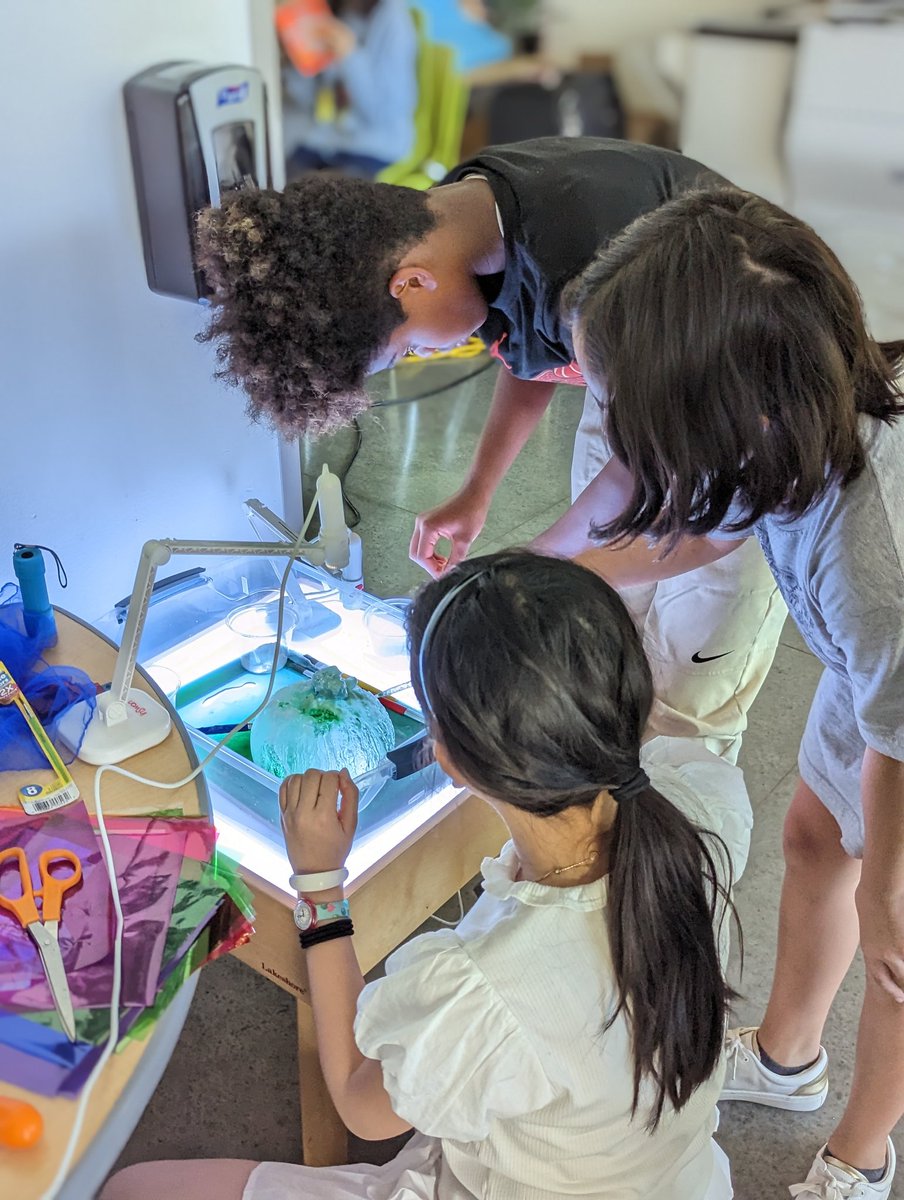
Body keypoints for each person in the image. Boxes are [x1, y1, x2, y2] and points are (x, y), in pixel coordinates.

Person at [100, 550, 753, 1200]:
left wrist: (321, 885)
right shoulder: (703, 802)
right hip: (673, 1179)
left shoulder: (482, 987)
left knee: (130, 1190)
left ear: (445, 759)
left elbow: (360, 1101)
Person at [195, 137, 787, 764]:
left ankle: (670, 809)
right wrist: (481, 492)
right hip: (637, 391)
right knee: (612, 627)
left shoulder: (594, 268)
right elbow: (534, 351)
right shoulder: (460, 220)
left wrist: (547, 568)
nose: (424, 356)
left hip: (746, 421)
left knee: (684, 696)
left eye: (408, 350)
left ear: (412, 282)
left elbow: (704, 518)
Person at [562, 189, 904, 1198]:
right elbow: (709, 526)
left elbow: (898, 730)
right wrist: (555, 572)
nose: (614, 431)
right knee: (814, 838)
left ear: (728, 411)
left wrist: (887, 888)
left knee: (897, 951)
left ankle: (862, 1156)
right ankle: (790, 1063)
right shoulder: (784, 420)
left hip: (898, 699)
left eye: (629, 413)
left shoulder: (871, 560)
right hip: (875, 676)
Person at [281, 0, 417, 180]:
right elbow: (310, 99)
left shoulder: (395, 25)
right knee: (274, 175)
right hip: (329, 142)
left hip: (372, 149)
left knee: (316, 190)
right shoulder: (345, 12)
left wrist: (349, 54)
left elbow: (380, 113)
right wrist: (296, 62)